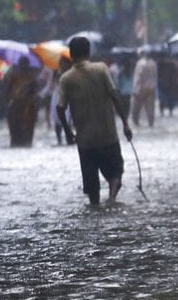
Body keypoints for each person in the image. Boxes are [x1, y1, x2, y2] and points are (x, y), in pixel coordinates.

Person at [56, 36, 133, 206]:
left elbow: (60, 107)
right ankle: (112, 199)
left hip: (85, 140)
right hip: (108, 135)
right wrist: (125, 124)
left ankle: (97, 211)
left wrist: (68, 132)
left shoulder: (66, 78)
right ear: (89, 52)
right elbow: (114, 96)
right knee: (115, 173)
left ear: (71, 54)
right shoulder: (101, 69)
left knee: (92, 188)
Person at [3, 56, 39, 147]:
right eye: (21, 65)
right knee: (15, 135)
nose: (23, 67)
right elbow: (7, 92)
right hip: (15, 108)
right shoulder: (13, 77)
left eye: (25, 65)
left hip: (28, 108)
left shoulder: (31, 78)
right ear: (19, 65)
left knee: (28, 135)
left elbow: (35, 93)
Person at [131, 51, 158, 128]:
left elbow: (138, 76)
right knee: (150, 109)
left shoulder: (140, 63)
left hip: (141, 89)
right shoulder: (153, 63)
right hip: (152, 88)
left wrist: (135, 89)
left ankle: (136, 125)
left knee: (135, 109)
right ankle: (151, 125)